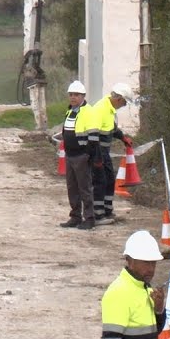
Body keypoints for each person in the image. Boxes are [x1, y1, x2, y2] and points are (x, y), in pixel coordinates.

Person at [76, 83, 138, 225]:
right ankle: (98, 214)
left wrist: (123, 138)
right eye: (124, 103)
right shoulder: (101, 109)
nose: (123, 106)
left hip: (103, 152)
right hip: (96, 152)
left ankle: (107, 210)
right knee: (99, 181)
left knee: (109, 179)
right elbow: (94, 135)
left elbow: (112, 128)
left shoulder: (108, 109)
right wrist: (96, 157)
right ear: (118, 99)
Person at [55, 80, 94, 230]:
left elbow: (93, 135)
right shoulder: (70, 111)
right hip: (70, 156)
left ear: (83, 96)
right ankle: (75, 216)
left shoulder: (88, 111)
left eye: (76, 95)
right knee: (72, 188)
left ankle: (89, 218)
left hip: (82, 155)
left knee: (84, 188)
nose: (73, 97)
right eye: (71, 95)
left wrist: (92, 155)